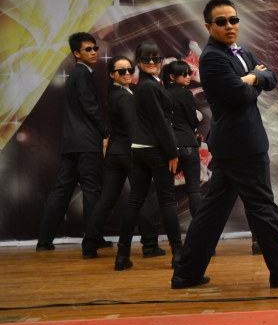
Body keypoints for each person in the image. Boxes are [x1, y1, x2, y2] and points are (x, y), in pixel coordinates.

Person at [171, 0, 278, 289]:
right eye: (222, 22)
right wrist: (253, 79)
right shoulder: (212, 57)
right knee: (262, 207)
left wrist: (252, 78)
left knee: (213, 211)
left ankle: (186, 273)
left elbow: (271, 77)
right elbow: (239, 94)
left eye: (233, 20)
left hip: (238, 142)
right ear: (208, 26)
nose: (229, 26)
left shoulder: (241, 50)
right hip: (240, 144)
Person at [81, 56, 161, 259]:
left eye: (129, 69)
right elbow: (132, 127)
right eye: (121, 71)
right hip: (130, 152)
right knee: (143, 197)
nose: (127, 74)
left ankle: (89, 245)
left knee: (107, 199)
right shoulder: (124, 96)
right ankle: (150, 246)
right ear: (112, 74)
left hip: (116, 153)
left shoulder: (119, 93)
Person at [37, 32, 109, 252]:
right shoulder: (83, 74)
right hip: (87, 142)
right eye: (88, 49)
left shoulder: (75, 74)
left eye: (95, 48)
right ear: (76, 53)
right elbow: (90, 107)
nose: (94, 52)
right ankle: (93, 240)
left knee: (62, 190)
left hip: (70, 143)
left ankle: (44, 241)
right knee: (91, 190)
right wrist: (105, 132)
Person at [114, 41, 183, 271]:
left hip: (139, 148)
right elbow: (160, 122)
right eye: (146, 59)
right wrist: (172, 152)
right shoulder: (149, 86)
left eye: (156, 58)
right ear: (138, 62)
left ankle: (122, 256)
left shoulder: (146, 84)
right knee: (167, 200)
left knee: (135, 200)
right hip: (155, 149)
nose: (152, 62)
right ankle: (178, 255)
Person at [163, 59, 203, 219]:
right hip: (188, 144)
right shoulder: (185, 93)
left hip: (169, 147)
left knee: (164, 191)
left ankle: (151, 228)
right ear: (172, 76)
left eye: (189, 73)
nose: (188, 77)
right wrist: (193, 129)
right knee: (194, 190)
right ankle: (199, 229)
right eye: (183, 74)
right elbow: (193, 120)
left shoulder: (162, 93)